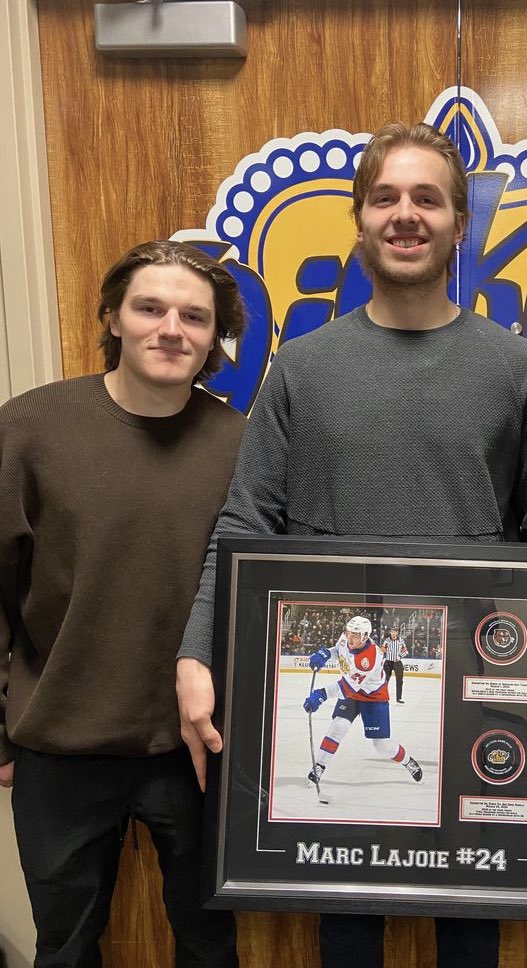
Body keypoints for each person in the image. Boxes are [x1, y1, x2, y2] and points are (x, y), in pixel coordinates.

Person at [176, 121, 527, 968]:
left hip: (480, 687)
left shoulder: (517, 367)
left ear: (461, 222)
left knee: (472, 923)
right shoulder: (301, 368)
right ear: (360, 219)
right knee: (345, 925)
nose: (405, 214)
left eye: (428, 198)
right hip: (341, 661)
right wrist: (198, 652)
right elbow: (245, 527)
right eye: (385, 197)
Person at [0, 240, 247, 968]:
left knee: (210, 945)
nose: (172, 328)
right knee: (66, 948)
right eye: (150, 308)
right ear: (112, 317)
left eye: (194, 317)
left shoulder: (242, 444)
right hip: (60, 746)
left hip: (199, 751)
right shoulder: (30, 430)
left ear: (213, 337)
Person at [305, 616, 421, 784]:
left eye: (355, 635)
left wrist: (321, 694)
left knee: (381, 745)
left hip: (373, 697)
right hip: (352, 691)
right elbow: (339, 650)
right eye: (348, 632)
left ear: (365, 636)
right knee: (339, 725)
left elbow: (345, 688)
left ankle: (407, 761)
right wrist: (325, 654)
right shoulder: (346, 637)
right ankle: (320, 766)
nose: (349, 637)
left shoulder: (369, 658)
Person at [380, 625, 408, 703]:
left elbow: (405, 651)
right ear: (390, 633)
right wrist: (386, 653)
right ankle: (383, 697)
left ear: (397, 632)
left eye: (395, 632)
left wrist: (400, 656)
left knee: (399, 681)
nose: (393, 633)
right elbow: (382, 649)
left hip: (397, 662)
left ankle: (398, 698)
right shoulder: (387, 640)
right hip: (388, 662)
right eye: (392, 632)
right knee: (385, 680)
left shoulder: (401, 640)